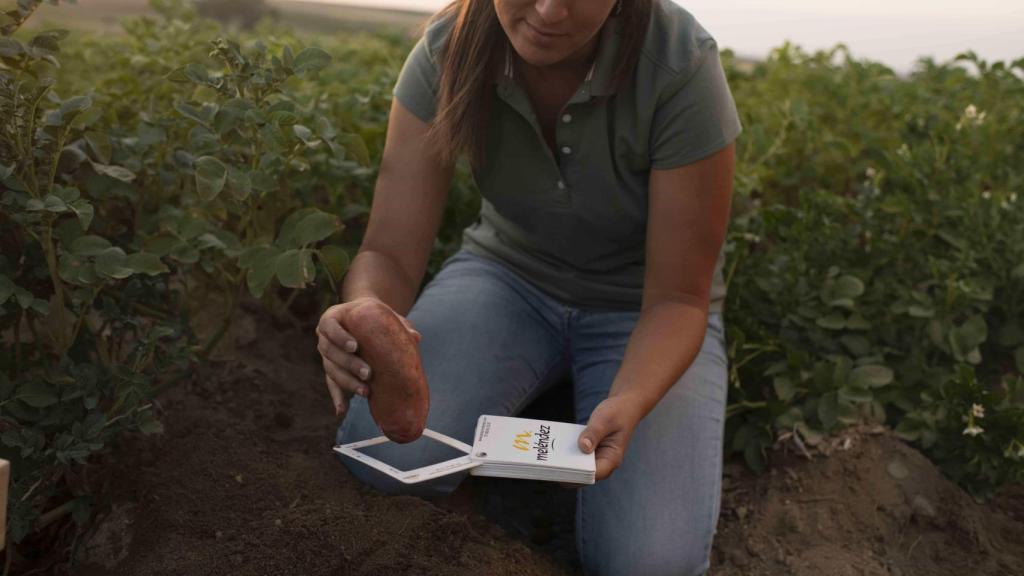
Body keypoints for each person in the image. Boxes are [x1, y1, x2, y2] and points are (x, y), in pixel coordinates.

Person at [315, 0, 740, 573]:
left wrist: (631, 398)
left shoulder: (679, 65)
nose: (547, 11)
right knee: (384, 458)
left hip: (642, 310)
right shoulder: (446, 50)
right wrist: (366, 311)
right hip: (507, 276)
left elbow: (678, 299)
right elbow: (388, 251)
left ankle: (569, 404)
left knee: (649, 563)